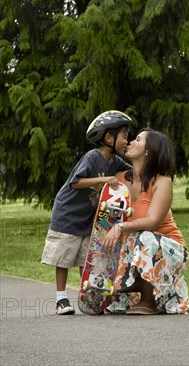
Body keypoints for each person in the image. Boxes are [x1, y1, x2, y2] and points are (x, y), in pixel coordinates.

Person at [42, 110, 132, 315]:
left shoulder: (114, 161)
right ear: (109, 137)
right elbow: (76, 182)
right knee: (64, 257)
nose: (127, 140)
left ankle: (89, 296)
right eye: (124, 135)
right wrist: (102, 180)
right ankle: (61, 299)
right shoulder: (92, 157)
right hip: (68, 213)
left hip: (86, 217)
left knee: (86, 258)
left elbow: (132, 170)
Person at [103, 128, 189, 315]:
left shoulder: (162, 181)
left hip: (168, 248)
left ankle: (149, 300)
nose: (130, 142)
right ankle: (130, 285)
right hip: (132, 249)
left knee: (143, 236)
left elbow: (152, 221)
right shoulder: (119, 180)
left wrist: (121, 226)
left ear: (148, 151)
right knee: (117, 241)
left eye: (138, 140)